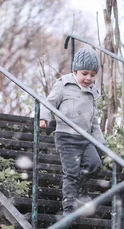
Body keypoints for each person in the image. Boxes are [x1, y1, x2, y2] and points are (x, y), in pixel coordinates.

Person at [39, 47, 104, 215]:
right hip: (66, 137)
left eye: (92, 75)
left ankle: (81, 190)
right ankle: (69, 206)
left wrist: (100, 141)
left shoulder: (92, 92)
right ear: (75, 71)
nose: (88, 78)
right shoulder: (64, 85)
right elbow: (49, 103)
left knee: (95, 164)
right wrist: (44, 118)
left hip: (85, 138)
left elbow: (94, 119)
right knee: (72, 172)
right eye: (84, 73)